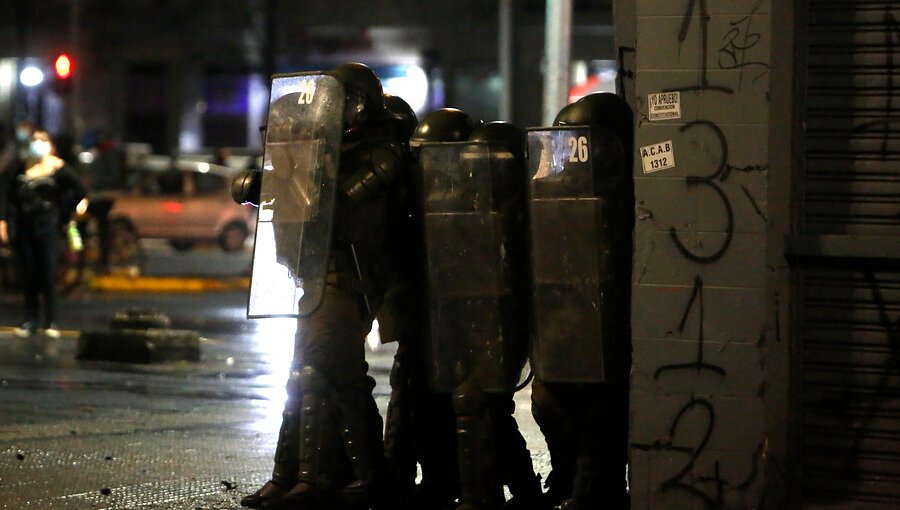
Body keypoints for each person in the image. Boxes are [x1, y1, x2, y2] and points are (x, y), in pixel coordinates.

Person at [233, 63, 411, 510]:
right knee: (307, 377)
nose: (341, 113)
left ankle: (351, 477)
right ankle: (300, 476)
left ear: (366, 107)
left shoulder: (379, 153)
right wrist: (270, 176)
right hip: (308, 272)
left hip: (350, 274)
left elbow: (339, 203)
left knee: (328, 372)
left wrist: (297, 171)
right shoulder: (329, 147)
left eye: (350, 104)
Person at [527, 93, 634, 510]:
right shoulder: (551, 191)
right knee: (549, 403)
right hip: (562, 319)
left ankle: (594, 492)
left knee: (600, 413)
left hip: (606, 320)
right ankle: (566, 478)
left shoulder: (631, 196)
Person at [0, 130, 87, 338]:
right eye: (34, 140)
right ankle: (30, 320)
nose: (37, 144)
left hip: (48, 228)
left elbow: (80, 189)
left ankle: (51, 321)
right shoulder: (21, 168)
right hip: (23, 228)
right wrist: (3, 221)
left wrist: (64, 214)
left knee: (48, 274)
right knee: (28, 275)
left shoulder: (57, 168)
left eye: (42, 140)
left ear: (50, 145)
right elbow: (4, 194)